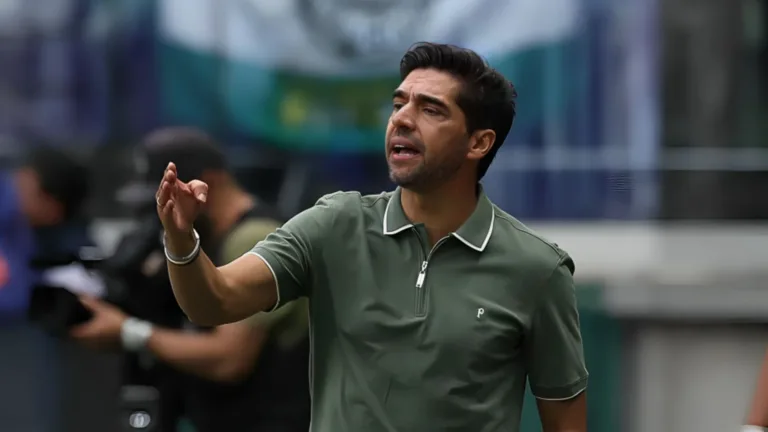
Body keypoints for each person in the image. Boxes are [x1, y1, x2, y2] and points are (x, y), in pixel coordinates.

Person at [157, 43, 588, 431]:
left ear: (479, 143)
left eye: (431, 110)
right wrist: (180, 239)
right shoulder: (334, 224)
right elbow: (215, 300)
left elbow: (565, 422)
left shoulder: (538, 268)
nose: (402, 119)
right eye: (398, 104)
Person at [70, 127, 310, 432]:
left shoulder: (253, 237)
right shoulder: (202, 237)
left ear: (208, 182)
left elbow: (230, 360)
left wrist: (130, 332)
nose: (161, 212)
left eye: (171, 198)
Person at [0, 145, 91, 432]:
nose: (54, 218)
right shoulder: (9, 210)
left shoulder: (27, 227)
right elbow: (12, 296)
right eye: (55, 209)